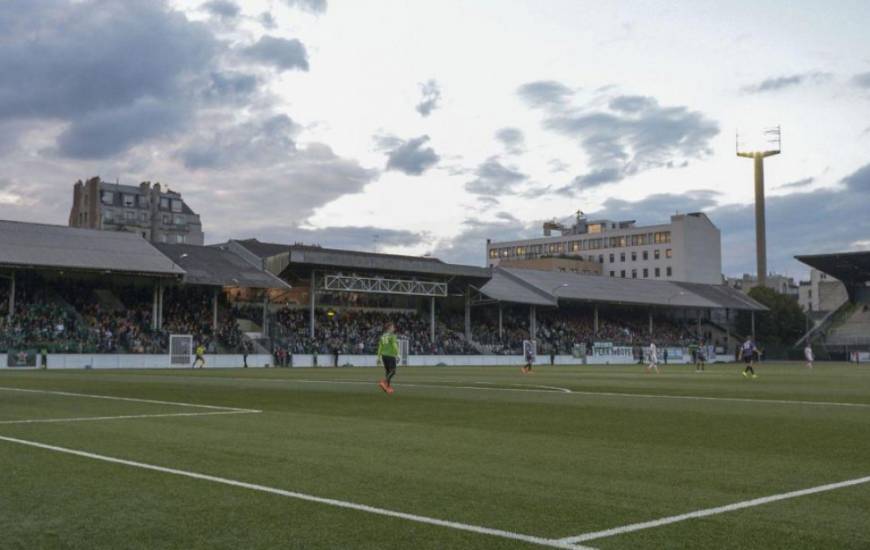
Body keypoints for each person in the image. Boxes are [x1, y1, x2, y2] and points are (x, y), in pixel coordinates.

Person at [377, 323, 399, 394]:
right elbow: (394, 345)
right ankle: (384, 382)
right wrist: (398, 354)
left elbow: (380, 347)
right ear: (389, 328)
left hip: (384, 356)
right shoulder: (392, 336)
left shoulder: (382, 336)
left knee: (388, 372)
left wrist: (378, 357)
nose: (394, 328)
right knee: (393, 371)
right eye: (392, 327)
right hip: (390, 355)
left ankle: (387, 388)